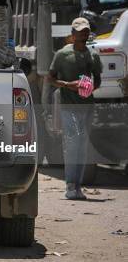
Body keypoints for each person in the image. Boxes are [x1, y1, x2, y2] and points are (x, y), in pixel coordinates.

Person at [48, 17, 102, 200]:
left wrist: (89, 87)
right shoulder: (62, 55)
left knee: (82, 147)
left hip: (87, 107)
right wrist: (67, 84)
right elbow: (50, 78)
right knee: (72, 145)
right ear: (72, 34)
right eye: (80, 31)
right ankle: (70, 185)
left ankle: (77, 186)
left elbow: (98, 80)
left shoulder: (93, 56)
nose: (83, 34)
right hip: (68, 107)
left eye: (86, 31)